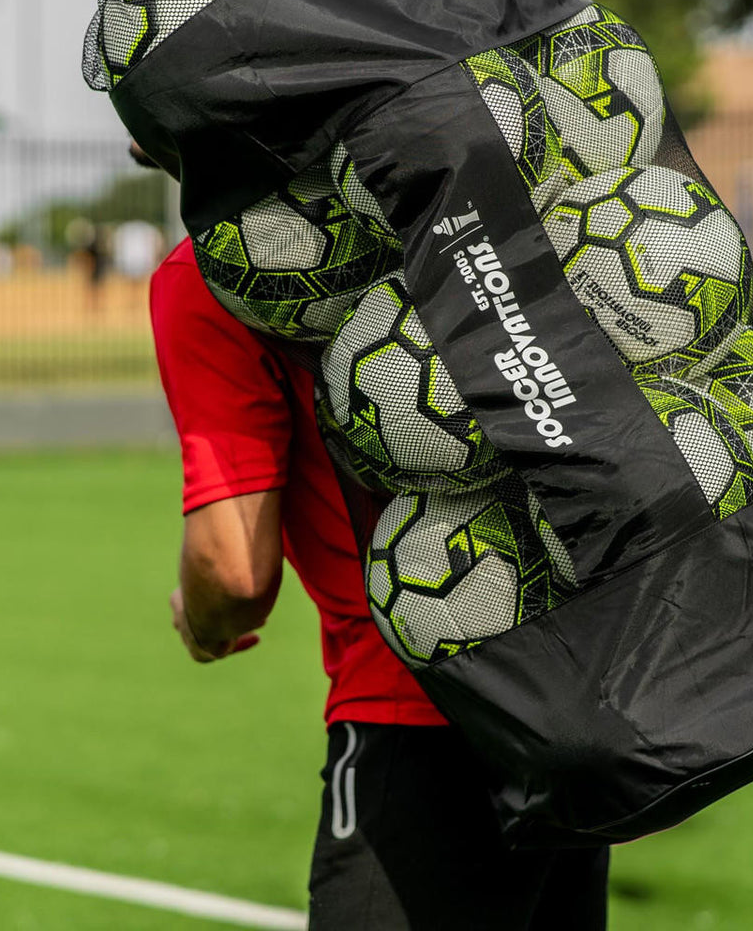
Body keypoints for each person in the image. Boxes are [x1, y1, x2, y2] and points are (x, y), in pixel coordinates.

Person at [145, 211, 611, 929]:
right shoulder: (442, 205)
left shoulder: (207, 275)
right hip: (569, 684)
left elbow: (232, 572)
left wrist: (202, 618)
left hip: (416, 701)